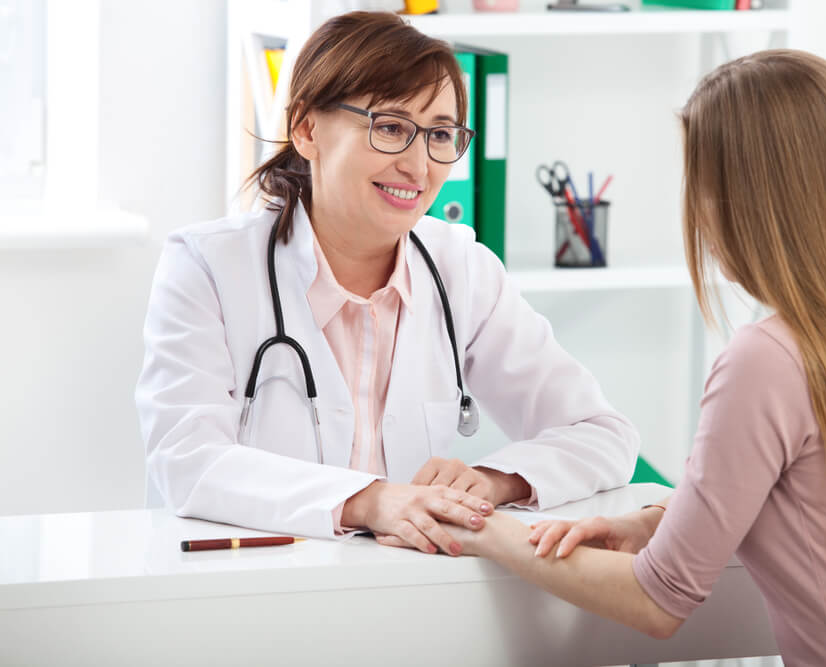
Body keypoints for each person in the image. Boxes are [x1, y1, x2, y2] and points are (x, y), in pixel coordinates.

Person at [453, 50, 826, 665]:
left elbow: (658, 603)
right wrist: (654, 523)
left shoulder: (769, 358)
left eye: (701, 186)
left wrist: (483, 529)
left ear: (752, 200)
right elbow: (818, 507)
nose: (698, 216)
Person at [134, 11, 638, 556]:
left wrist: (495, 480)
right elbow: (187, 461)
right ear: (306, 128)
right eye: (391, 128)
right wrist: (368, 501)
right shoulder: (208, 266)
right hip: (242, 593)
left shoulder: (460, 268)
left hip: (404, 596)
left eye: (440, 135)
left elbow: (602, 434)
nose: (419, 167)